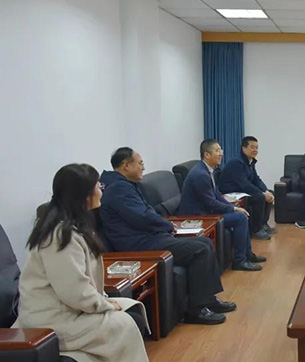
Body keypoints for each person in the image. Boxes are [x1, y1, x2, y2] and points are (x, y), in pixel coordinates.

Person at [15, 164, 157, 362]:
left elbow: (79, 284)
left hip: (70, 309)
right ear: (83, 194)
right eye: (97, 186)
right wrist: (105, 305)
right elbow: (73, 291)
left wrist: (104, 301)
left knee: (134, 309)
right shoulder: (60, 235)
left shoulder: (74, 225)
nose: (101, 189)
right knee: (126, 322)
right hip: (52, 319)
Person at [99, 147, 234, 325]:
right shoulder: (118, 188)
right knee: (200, 249)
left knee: (205, 242)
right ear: (125, 165)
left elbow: (147, 213)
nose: (143, 167)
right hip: (138, 244)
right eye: (140, 163)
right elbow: (142, 217)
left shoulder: (123, 184)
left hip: (148, 236)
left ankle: (208, 299)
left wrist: (164, 226)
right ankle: (196, 310)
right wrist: (168, 226)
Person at [178, 139, 265, 271]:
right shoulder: (200, 175)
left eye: (221, 150)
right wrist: (233, 209)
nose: (221, 154)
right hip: (198, 216)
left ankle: (247, 255)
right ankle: (239, 261)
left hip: (206, 211)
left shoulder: (207, 170)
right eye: (217, 151)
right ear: (207, 155)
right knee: (240, 218)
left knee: (241, 214)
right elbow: (211, 203)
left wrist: (234, 208)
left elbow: (217, 195)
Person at [218, 136, 276, 240]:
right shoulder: (237, 162)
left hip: (241, 189)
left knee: (269, 193)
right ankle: (256, 230)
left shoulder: (250, 161)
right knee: (259, 197)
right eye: (252, 147)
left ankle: (263, 224)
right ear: (244, 148)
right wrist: (262, 194)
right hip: (231, 191)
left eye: (257, 148)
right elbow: (243, 184)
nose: (255, 150)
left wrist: (266, 190)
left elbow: (256, 179)